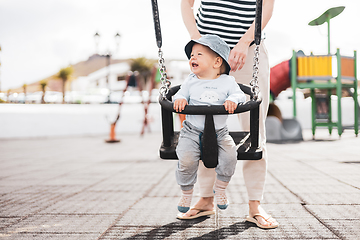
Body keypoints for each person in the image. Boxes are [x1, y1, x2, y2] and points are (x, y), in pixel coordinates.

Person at [180, 0, 279, 228]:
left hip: (249, 50)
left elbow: (266, 7)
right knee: (204, 127)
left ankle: (255, 205)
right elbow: (187, 4)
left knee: (255, 130)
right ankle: (205, 199)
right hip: (208, 54)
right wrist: (201, 45)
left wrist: (244, 42)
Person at [173, 34, 246, 220]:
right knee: (186, 159)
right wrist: (180, 99)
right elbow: (178, 94)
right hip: (191, 131)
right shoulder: (190, 81)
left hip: (220, 133)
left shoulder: (227, 82)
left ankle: (220, 188)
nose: (192, 58)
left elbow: (240, 96)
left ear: (216, 62)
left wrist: (231, 100)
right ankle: (186, 193)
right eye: (191, 55)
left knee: (230, 155)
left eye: (198, 54)